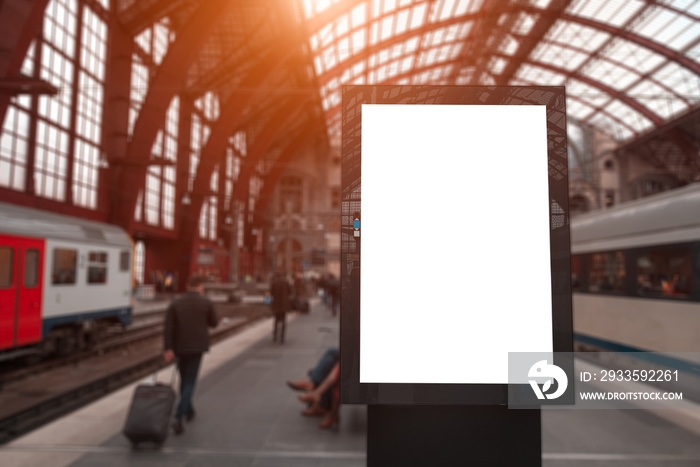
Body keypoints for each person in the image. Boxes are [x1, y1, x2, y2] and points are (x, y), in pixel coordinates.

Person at [163, 275, 219, 435]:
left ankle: (189, 410)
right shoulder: (206, 302)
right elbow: (214, 323)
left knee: (184, 379)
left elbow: (168, 328)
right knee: (190, 382)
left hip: (180, 347)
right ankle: (179, 416)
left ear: (187, 285)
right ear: (201, 286)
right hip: (197, 347)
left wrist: (168, 348)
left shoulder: (175, 303)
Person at [270, 271, 292, 343]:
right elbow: (290, 292)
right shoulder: (286, 282)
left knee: (276, 320)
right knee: (283, 320)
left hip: (276, 303)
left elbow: (271, 292)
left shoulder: (274, 282)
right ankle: (282, 337)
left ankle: (275, 336)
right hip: (284, 304)